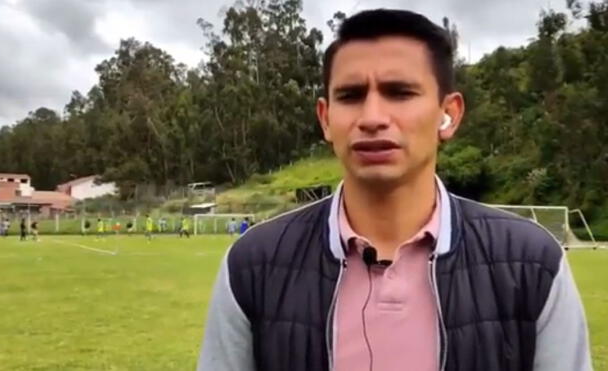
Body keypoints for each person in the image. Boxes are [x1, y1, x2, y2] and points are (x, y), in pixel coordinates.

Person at [197, 9, 591, 371]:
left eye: (400, 93)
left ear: (448, 114)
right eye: (350, 96)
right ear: (326, 118)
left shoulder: (533, 264)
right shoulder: (252, 266)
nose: (372, 118)